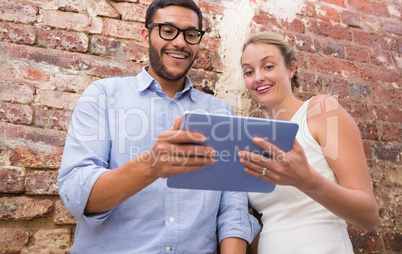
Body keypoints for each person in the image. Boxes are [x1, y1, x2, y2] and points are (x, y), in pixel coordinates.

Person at [58, 0, 260, 253]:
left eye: (190, 34)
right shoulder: (102, 95)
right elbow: (78, 197)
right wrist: (151, 165)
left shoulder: (220, 112)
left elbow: (233, 208)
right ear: (146, 35)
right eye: (167, 30)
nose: (180, 42)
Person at [237, 32, 379, 254]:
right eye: (248, 71)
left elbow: (368, 215)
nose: (257, 78)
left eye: (268, 66)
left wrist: (307, 180)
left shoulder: (321, 111)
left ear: (291, 69)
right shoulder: (256, 138)